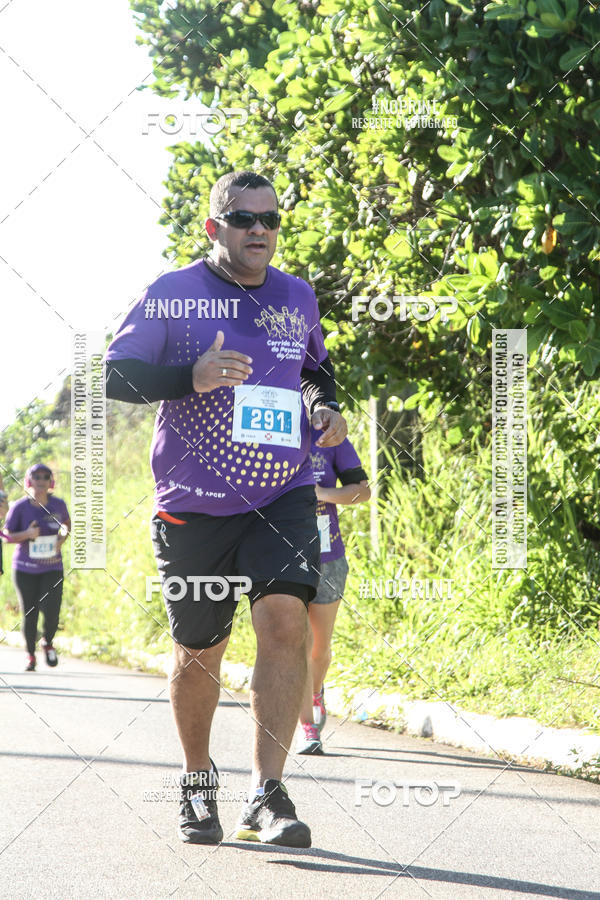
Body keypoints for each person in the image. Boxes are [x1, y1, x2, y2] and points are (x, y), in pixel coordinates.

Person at [105, 170, 347, 848]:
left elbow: (312, 368)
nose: (261, 231)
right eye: (245, 220)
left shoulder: (296, 295)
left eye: (272, 220)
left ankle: (268, 792)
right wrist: (192, 378)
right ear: (215, 227)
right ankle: (196, 781)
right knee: (200, 652)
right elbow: (115, 375)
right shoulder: (173, 294)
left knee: (284, 620)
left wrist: (323, 407)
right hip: (194, 505)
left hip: (283, 491)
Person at [296, 430, 370, 754]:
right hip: (281, 556)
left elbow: (362, 492)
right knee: (296, 643)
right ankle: (307, 726)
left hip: (328, 557)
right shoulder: (269, 427)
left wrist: (321, 494)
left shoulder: (328, 435)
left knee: (319, 648)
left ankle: (315, 690)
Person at [4, 464, 70, 671]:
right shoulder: (20, 507)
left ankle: (47, 641)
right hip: (25, 569)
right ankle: (30, 656)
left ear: (50, 482)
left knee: (52, 612)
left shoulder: (58, 504)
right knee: (29, 612)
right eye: (36, 477)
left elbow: (67, 523)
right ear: (28, 481)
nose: (40, 481)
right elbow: (5, 536)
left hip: (52, 567)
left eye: (45, 477)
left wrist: (63, 536)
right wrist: (27, 535)